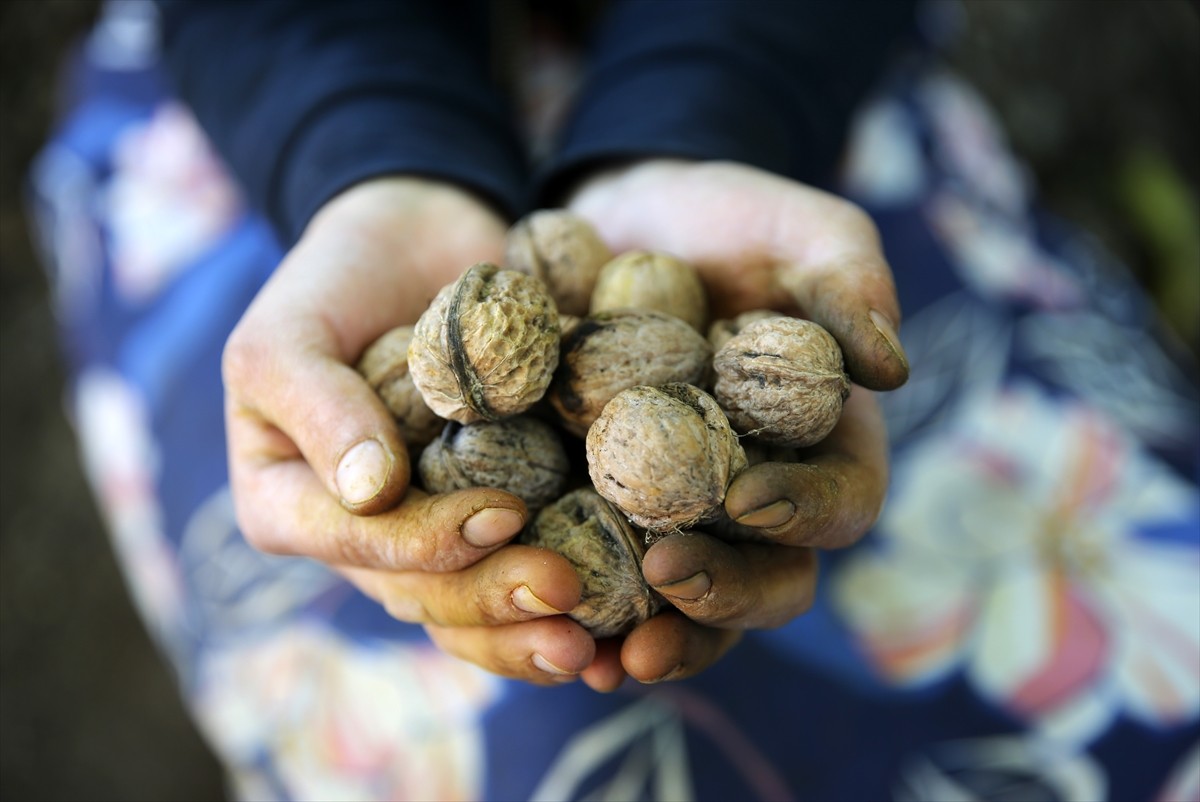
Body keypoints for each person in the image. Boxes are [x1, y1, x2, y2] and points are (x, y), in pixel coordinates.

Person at [29, 1, 1199, 800]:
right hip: (294, 93)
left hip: (768, 77)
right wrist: (369, 153)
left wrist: (704, 117)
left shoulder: (662, 346)